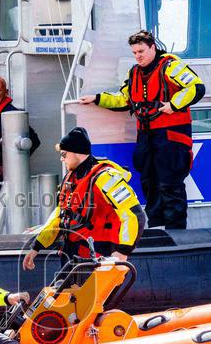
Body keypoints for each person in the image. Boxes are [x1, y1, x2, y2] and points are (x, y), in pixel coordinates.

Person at [84, 30, 204, 230]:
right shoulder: (134, 73)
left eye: (141, 51)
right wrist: (97, 99)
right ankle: (157, 229)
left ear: (152, 48)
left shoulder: (170, 66)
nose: (137, 56)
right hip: (146, 137)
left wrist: (173, 105)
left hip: (171, 136)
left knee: (170, 185)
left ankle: (177, 233)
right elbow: (124, 100)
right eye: (134, 53)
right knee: (149, 183)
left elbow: (196, 87)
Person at [22, 127, 144, 272]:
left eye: (64, 154)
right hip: (72, 257)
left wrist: (122, 252)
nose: (61, 159)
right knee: (63, 288)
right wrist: (36, 246)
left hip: (97, 260)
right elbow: (60, 215)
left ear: (77, 153)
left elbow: (134, 215)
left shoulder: (105, 178)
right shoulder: (71, 178)